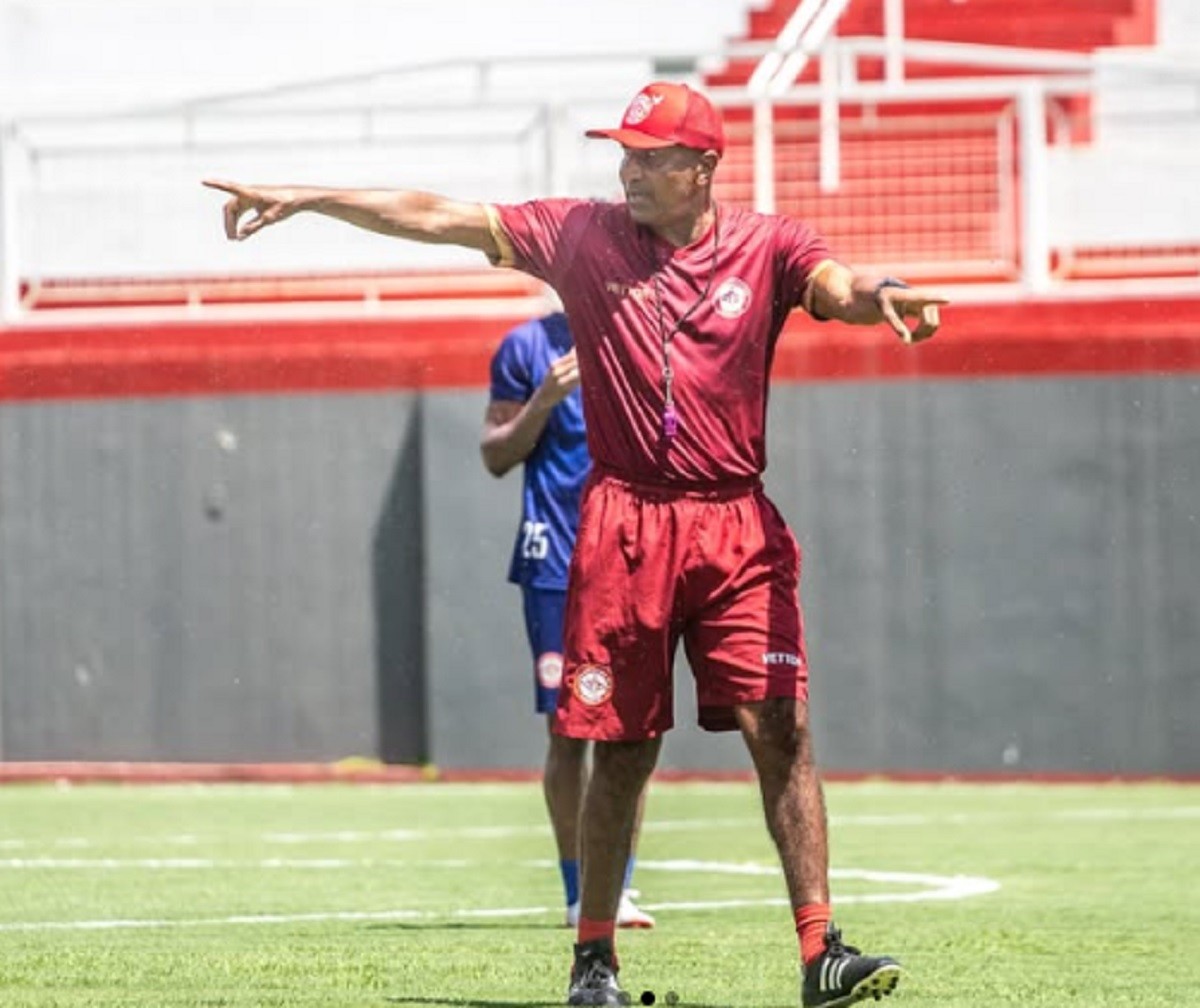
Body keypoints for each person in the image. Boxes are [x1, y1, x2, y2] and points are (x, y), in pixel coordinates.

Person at [204, 78, 946, 1008]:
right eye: (622, 152)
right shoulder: (580, 235)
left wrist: (888, 294)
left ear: (702, 165)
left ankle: (819, 952)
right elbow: (439, 215)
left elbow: (841, 284)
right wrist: (308, 196)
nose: (627, 168)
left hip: (736, 525)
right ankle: (593, 958)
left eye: (647, 154)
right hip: (626, 527)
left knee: (782, 730)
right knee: (621, 747)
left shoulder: (770, 245)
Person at [480, 305, 655, 930]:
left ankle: (621, 889)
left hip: (633, 556)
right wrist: (545, 400)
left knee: (628, 730)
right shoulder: (526, 346)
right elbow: (495, 454)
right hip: (554, 559)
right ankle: (577, 891)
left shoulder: (642, 329)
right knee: (567, 731)